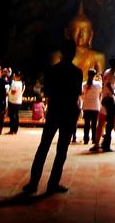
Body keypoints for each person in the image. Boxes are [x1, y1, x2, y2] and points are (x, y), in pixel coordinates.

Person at [22, 39, 82, 194]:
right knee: (61, 150)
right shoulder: (77, 72)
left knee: (44, 146)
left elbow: (47, 91)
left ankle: (34, 182)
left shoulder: (52, 70)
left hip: (55, 110)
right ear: (73, 53)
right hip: (68, 112)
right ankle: (53, 183)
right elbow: (76, 94)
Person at [81, 69, 101, 145]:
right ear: (95, 75)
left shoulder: (84, 84)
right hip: (95, 106)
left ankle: (86, 139)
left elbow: (82, 95)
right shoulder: (98, 84)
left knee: (86, 124)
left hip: (86, 106)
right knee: (94, 124)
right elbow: (100, 94)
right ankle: (93, 139)